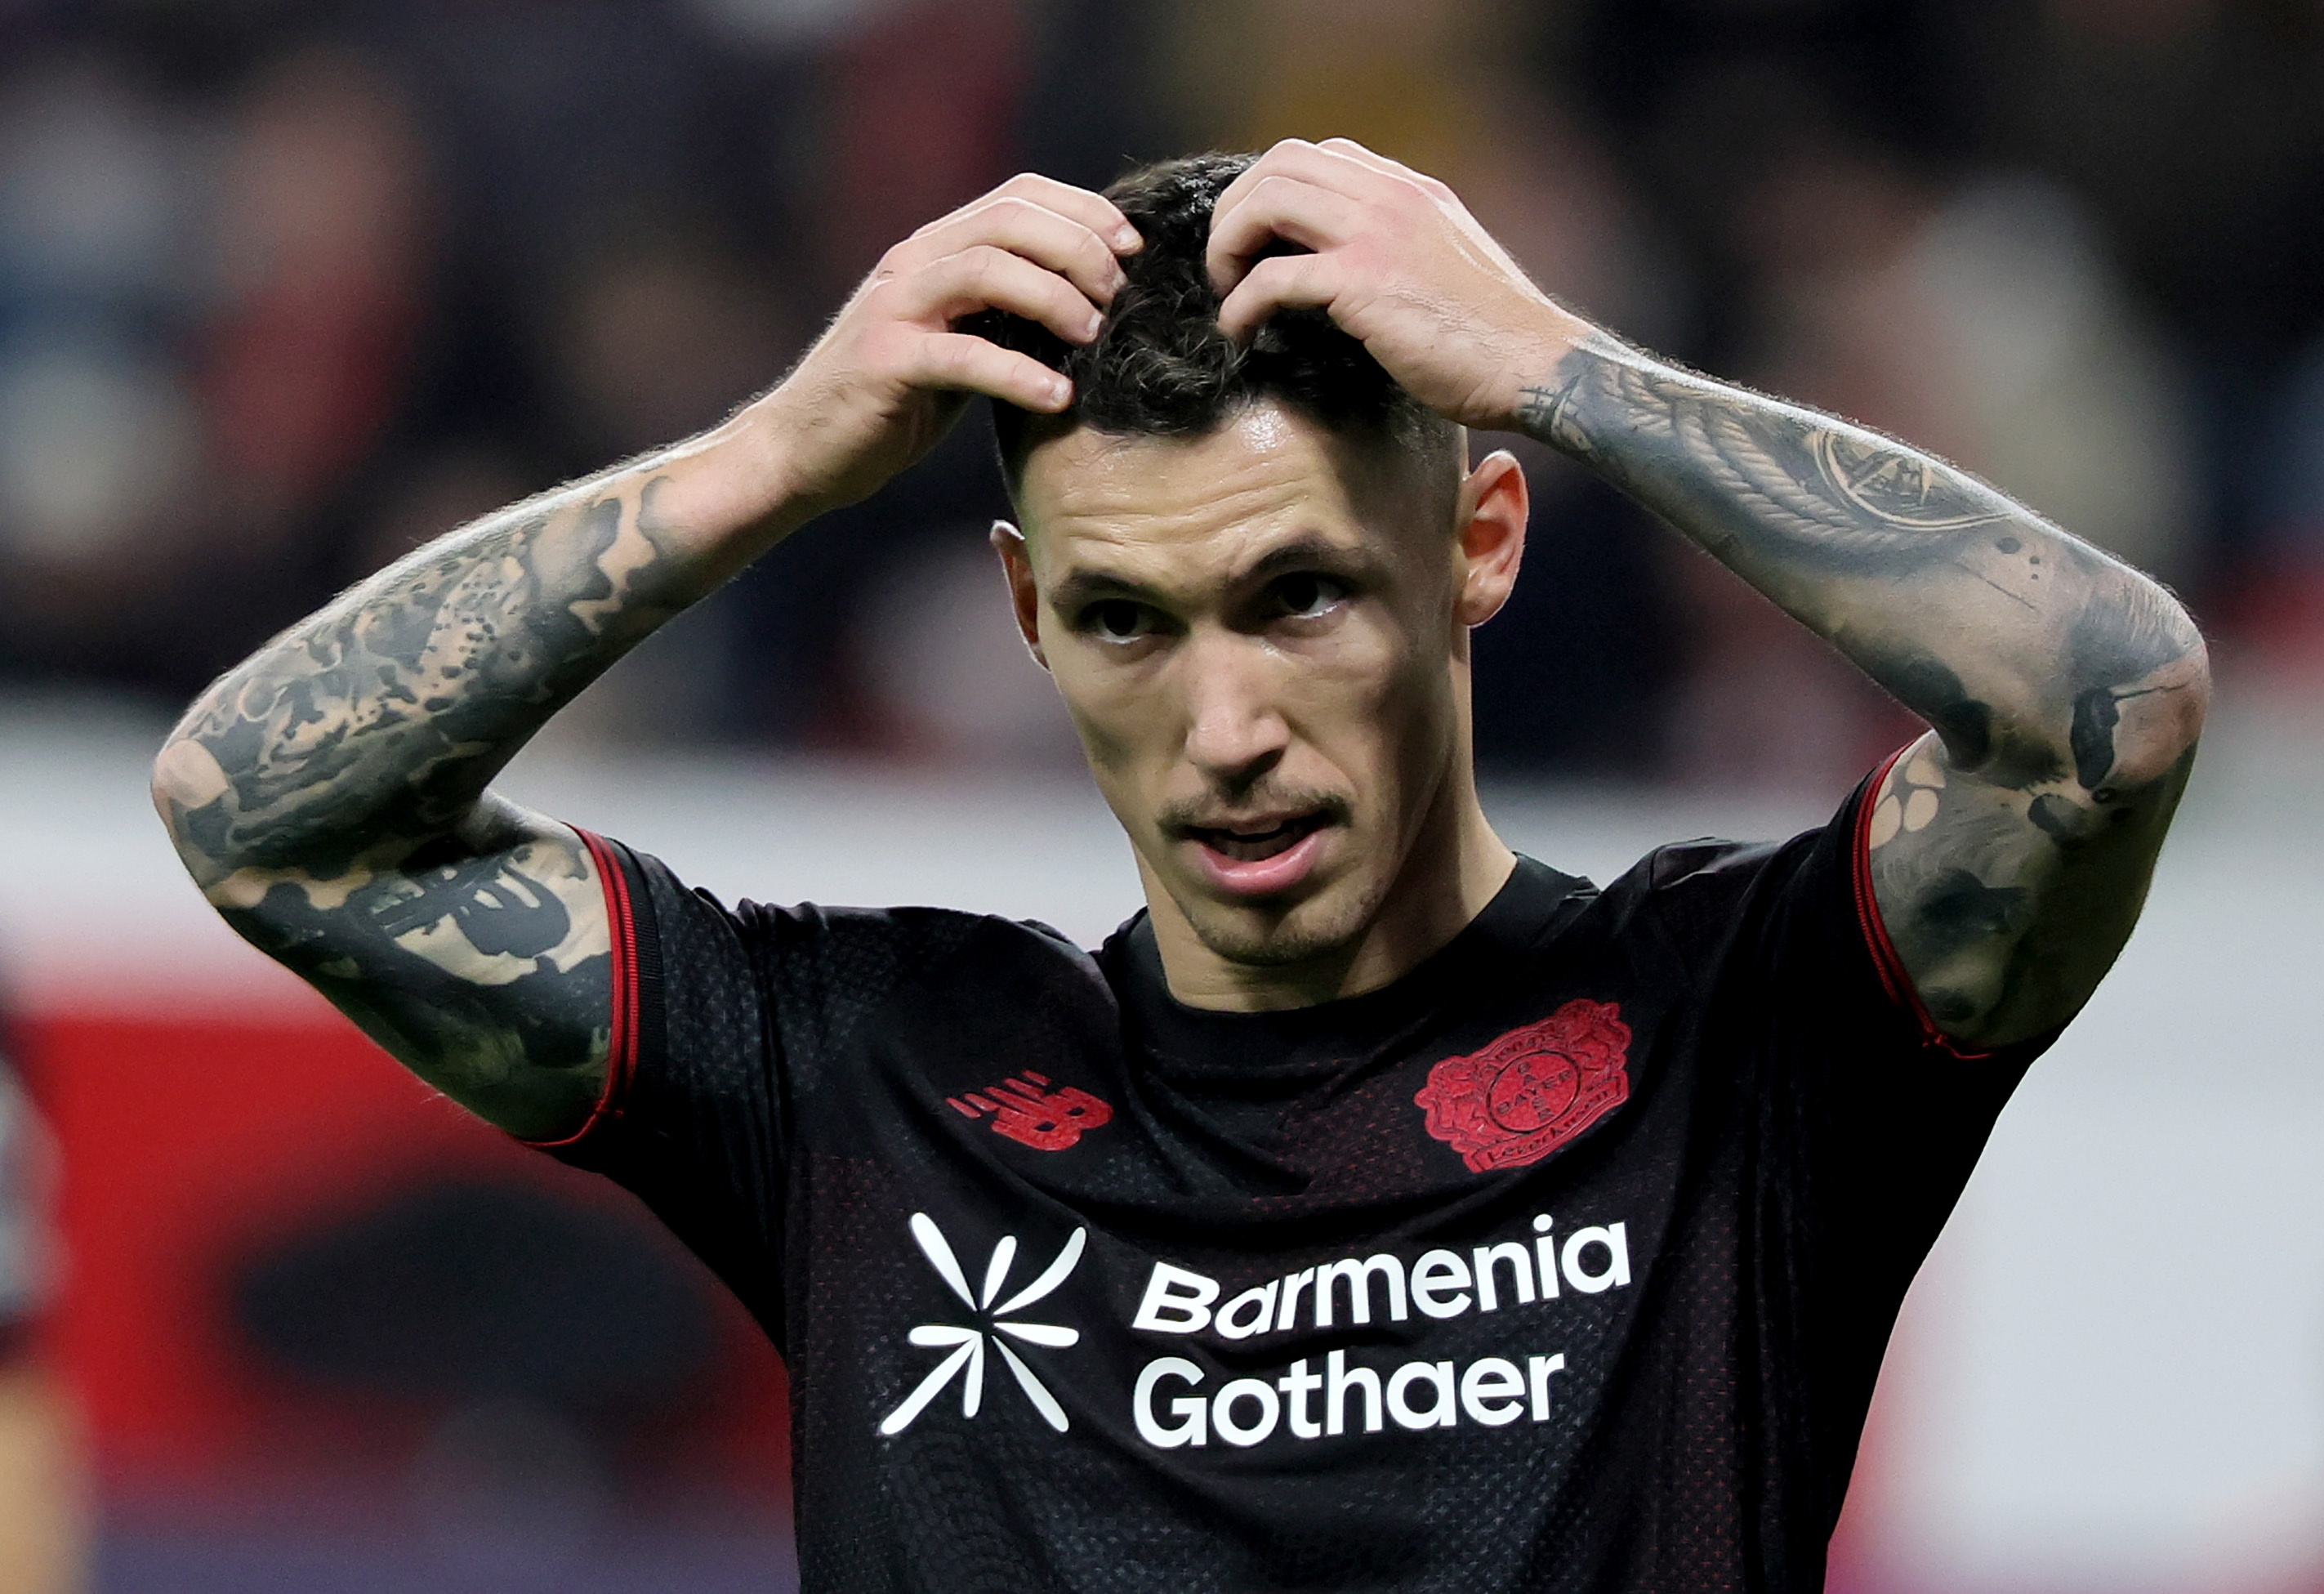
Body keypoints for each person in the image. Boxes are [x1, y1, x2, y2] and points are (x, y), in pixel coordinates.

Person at [149, 141, 2208, 1591]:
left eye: (1299, 594)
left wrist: (1561, 365)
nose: (1223, 727)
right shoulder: (872, 1067)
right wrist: (766, 455)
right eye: (1131, 620)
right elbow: (263, 809)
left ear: (1479, 539)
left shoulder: (1739, 1032)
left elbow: (2108, 701)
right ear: (1032, 616)